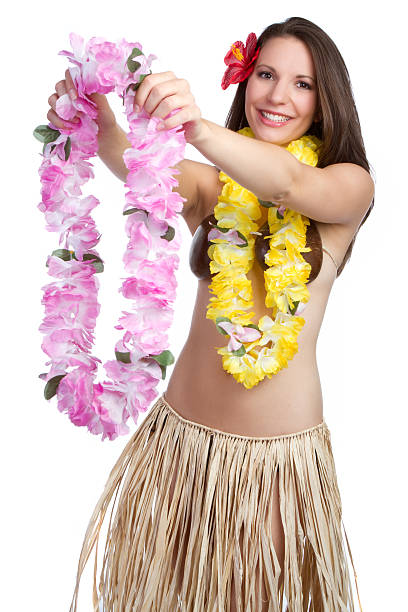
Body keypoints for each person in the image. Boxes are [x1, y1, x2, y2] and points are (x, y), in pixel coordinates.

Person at [47, 16, 374, 611]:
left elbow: (289, 184)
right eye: (267, 74)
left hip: (275, 468)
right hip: (181, 448)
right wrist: (96, 116)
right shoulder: (216, 189)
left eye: (302, 84)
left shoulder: (347, 189)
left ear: (328, 100)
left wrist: (193, 128)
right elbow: (132, 164)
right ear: (245, 81)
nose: (278, 96)